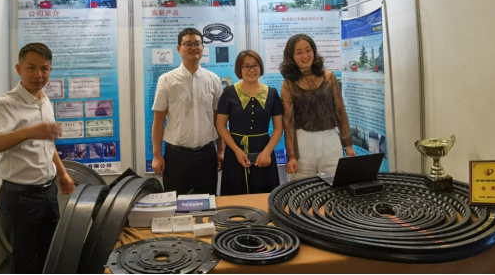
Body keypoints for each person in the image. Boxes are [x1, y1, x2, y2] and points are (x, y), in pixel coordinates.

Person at [0, 43, 75, 274]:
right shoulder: (7, 103)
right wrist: (29, 132)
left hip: (48, 193)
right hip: (20, 198)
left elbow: (47, 144)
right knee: (25, 264)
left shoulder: (44, 100)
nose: (38, 75)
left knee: (50, 256)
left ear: (50, 70)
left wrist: (62, 173)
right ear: (19, 69)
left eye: (44, 69)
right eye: (31, 68)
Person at [151, 28, 224, 195]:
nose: (193, 48)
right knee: (175, 203)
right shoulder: (167, 80)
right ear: (179, 48)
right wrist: (157, 155)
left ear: (203, 47)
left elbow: (217, 119)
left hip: (206, 155)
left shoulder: (213, 79)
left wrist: (220, 150)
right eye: (188, 44)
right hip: (176, 156)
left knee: (208, 201)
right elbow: (158, 121)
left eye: (197, 43)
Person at [280, 34, 356, 180]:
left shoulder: (329, 77)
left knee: (334, 186)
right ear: (291, 56)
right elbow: (288, 122)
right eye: (299, 52)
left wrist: (348, 145)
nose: (305, 55)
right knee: (302, 188)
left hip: (330, 140)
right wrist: (291, 155)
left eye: (308, 50)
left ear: (314, 51)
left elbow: (340, 111)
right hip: (303, 142)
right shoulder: (288, 84)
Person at [216, 50, 283, 195]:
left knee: (264, 196)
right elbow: (220, 125)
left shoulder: (272, 93)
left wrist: (267, 152)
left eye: (255, 65)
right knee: (235, 196)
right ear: (239, 69)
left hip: (263, 151)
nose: (251, 70)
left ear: (260, 67)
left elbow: (278, 127)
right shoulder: (229, 92)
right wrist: (236, 150)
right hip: (235, 151)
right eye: (246, 66)